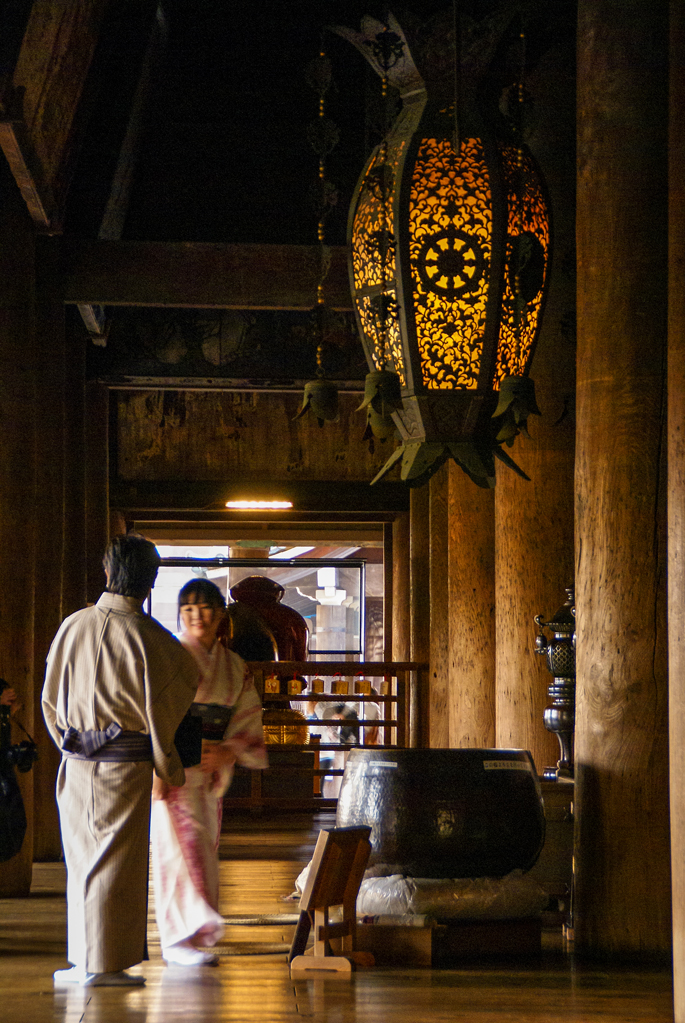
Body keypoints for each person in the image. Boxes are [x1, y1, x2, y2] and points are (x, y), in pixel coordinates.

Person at [42, 535, 199, 988]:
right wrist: (165, 762)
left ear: (108, 574)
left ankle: (88, 961)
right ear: (149, 582)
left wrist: (72, 745)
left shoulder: (73, 626)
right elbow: (172, 703)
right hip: (125, 768)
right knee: (115, 864)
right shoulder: (156, 642)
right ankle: (102, 965)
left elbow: (50, 701)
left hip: (75, 763)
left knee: (84, 863)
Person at [150, 579, 268, 966]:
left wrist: (229, 749)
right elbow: (154, 713)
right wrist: (159, 765)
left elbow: (246, 715)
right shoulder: (170, 655)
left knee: (204, 849)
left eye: (205, 608)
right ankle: (176, 938)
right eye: (188, 609)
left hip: (210, 767)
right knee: (178, 853)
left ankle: (195, 933)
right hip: (173, 769)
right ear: (180, 616)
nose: (197, 616)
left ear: (220, 616)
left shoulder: (233, 666)